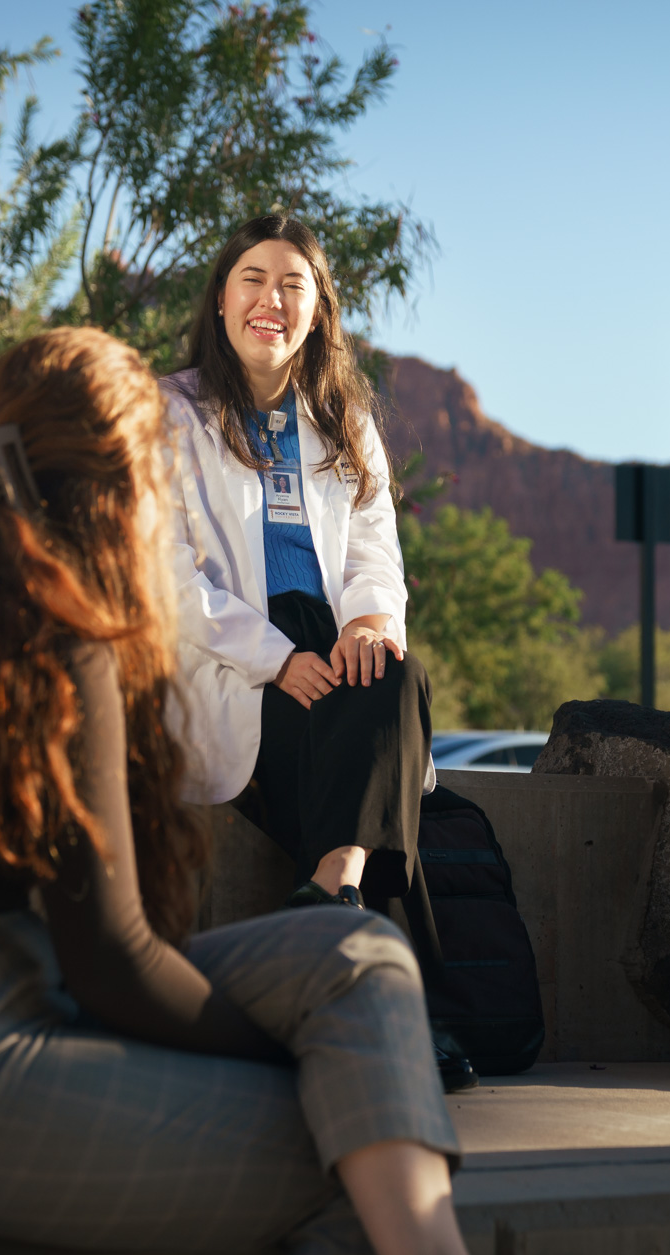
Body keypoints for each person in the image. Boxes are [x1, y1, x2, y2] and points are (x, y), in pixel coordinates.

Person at [0, 327, 480, 1255]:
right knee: (362, 1157)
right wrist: (286, 1063)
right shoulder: (53, 642)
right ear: (127, 484)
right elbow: (114, 967)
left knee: (351, 949)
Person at [160, 213, 431, 913]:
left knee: (398, 674)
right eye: (252, 280)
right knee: (360, 784)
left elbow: (374, 547)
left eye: (292, 286)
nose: (270, 301)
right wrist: (277, 660)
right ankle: (366, 927)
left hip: (338, 647)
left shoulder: (345, 420)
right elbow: (162, 573)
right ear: (221, 298)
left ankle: (333, 880)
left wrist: (369, 627)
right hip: (233, 653)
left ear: (317, 313)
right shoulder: (169, 411)